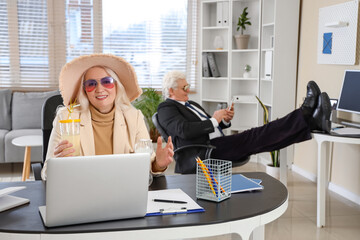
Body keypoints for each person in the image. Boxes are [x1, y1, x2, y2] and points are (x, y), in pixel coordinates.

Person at [157, 70, 331, 174]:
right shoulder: (166, 108)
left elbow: (208, 126)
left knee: (265, 141)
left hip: (215, 144)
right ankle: (306, 113)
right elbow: (184, 130)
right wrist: (214, 119)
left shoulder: (191, 104)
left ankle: (311, 122)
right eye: (184, 87)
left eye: (188, 86)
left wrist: (223, 121)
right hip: (203, 152)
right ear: (171, 91)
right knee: (257, 135)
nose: (189, 90)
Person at [41, 53, 174, 180]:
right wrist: (57, 164)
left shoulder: (134, 117)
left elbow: (147, 165)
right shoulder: (66, 117)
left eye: (107, 81)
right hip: (80, 190)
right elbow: (46, 172)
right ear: (84, 90)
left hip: (121, 190)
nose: (99, 89)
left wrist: (158, 164)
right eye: (91, 84)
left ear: (117, 85)